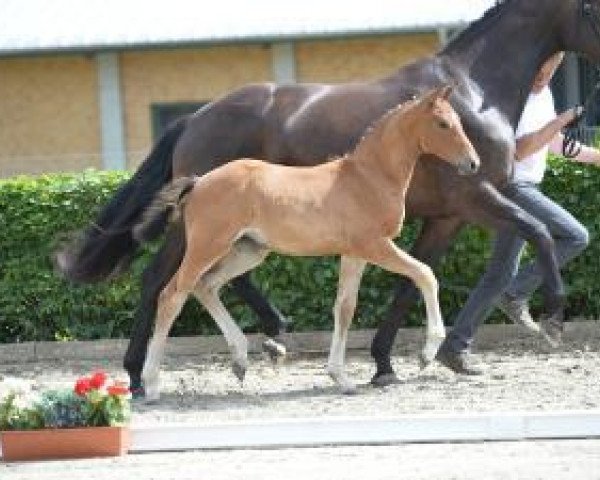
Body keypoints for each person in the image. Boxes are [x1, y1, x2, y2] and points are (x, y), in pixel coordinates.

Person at [436, 52, 600, 375]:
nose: (545, 76)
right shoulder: (515, 95)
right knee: (575, 235)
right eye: (542, 68)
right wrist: (560, 120)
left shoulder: (545, 95)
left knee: (497, 274)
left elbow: (554, 144)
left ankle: (454, 346)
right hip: (514, 187)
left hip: (528, 189)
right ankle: (516, 292)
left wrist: (596, 157)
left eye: (552, 71)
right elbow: (520, 150)